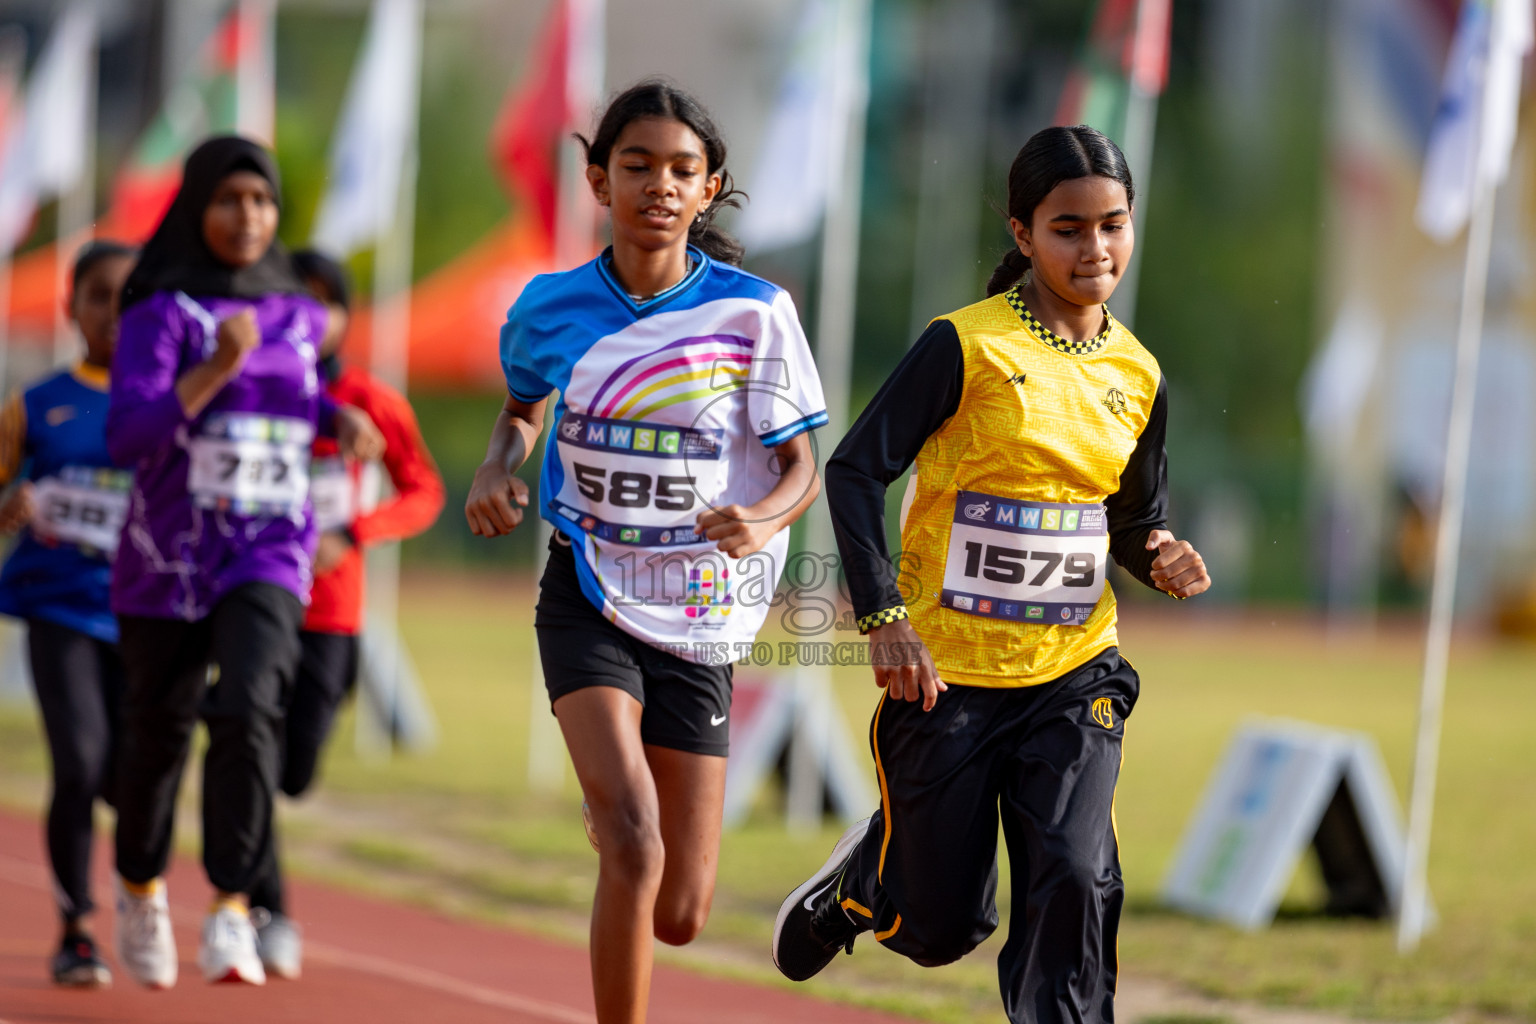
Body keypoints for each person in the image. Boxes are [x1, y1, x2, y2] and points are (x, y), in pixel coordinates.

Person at [771, 125, 1212, 1023]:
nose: (1095, 249)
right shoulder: (962, 346)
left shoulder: (1141, 373)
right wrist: (882, 616)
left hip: (1072, 670)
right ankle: (863, 882)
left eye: (1113, 226)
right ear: (1022, 234)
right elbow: (855, 469)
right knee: (938, 927)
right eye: (1069, 228)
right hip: (947, 676)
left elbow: (1130, 519)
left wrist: (1159, 553)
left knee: (1078, 880)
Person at [465, 80, 827, 1024]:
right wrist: (495, 469)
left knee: (680, 911)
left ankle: (621, 813)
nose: (659, 185)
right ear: (598, 179)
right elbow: (519, 410)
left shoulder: (756, 313)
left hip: (701, 611)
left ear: (710, 189)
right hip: (586, 590)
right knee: (632, 839)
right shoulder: (548, 307)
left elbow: (803, 466)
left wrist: (766, 518)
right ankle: (616, 812)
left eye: (681, 170)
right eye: (637, 166)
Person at [106, 135, 384, 988]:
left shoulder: (295, 312)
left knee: (256, 701)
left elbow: (299, 402)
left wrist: (337, 423)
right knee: (158, 736)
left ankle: (233, 903)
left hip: (268, 545)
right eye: (229, 199)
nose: (248, 216)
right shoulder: (158, 314)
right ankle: (141, 882)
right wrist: (213, 371)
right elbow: (128, 438)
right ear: (197, 207)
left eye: (262, 201)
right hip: (170, 555)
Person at [243, 248, 446, 979]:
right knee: (255, 760)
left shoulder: (371, 400)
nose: (313, 316)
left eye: (328, 302)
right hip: (253, 601)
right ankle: (268, 910)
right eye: (297, 298)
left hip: (333, 613)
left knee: (292, 774)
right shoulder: (248, 392)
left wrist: (354, 532)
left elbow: (423, 492)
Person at [0, 240, 135, 987]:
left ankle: (135, 889)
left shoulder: (176, 403)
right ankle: (77, 928)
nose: (114, 312)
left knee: (130, 778)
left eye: (129, 297)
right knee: (79, 763)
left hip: (149, 621)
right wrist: (7, 508)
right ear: (72, 307)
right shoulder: (34, 404)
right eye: (99, 296)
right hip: (62, 611)